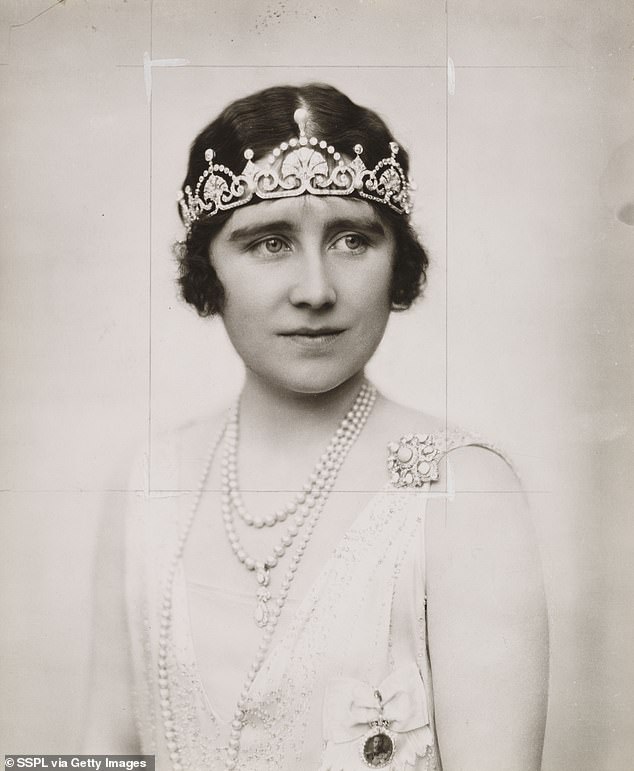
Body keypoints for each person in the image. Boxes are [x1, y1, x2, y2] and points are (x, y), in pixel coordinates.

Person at [85, 83, 548, 770]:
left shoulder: (464, 491)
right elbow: (103, 752)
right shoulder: (148, 479)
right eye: (269, 242)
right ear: (208, 268)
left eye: (352, 239)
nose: (316, 288)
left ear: (397, 261)